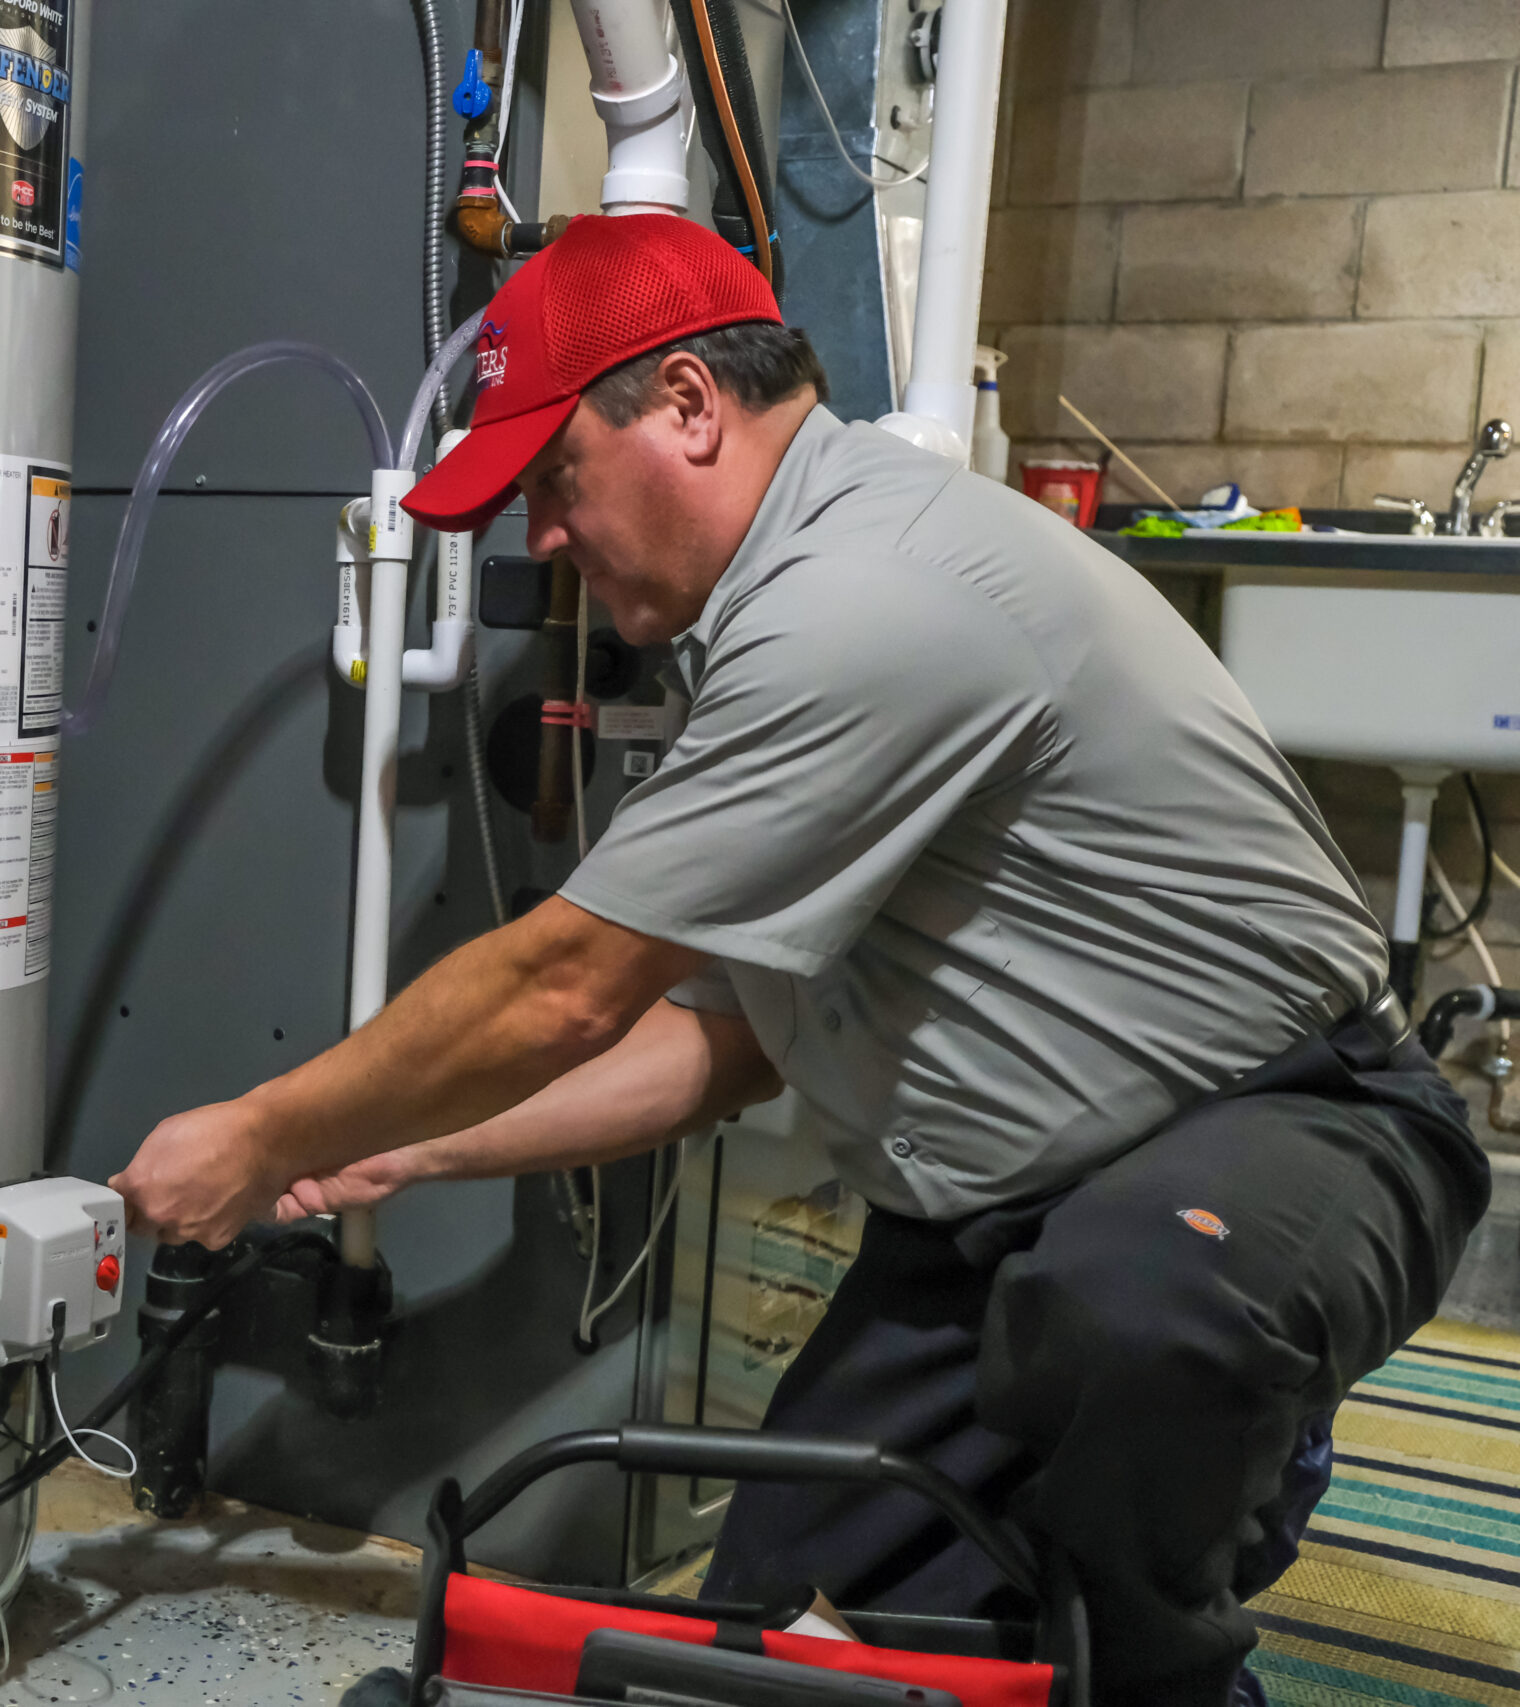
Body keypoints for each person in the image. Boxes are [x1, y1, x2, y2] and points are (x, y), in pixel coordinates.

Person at [105, 214, 1490, 1707]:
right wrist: (402, 1152)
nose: (545, 538)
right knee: (767, 1647)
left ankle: (1177, 1655)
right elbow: (720, 1043)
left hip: (1289, 1137)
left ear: (691, 407)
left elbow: (567, 987)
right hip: (993, 1227)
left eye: (556, 478)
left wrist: (263, 1133)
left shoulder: (868, 597)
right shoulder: (755, 634)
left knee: (1130, 1371)